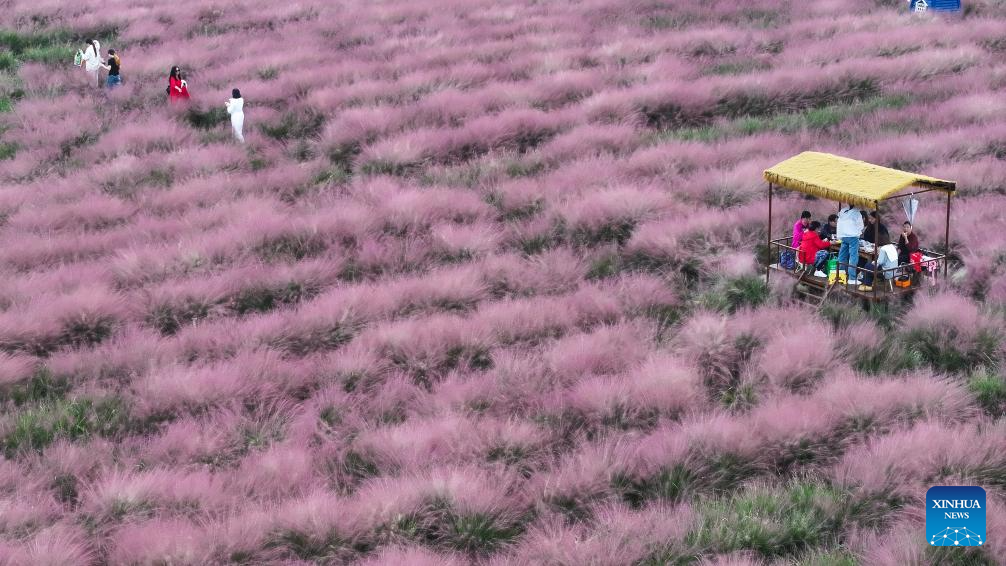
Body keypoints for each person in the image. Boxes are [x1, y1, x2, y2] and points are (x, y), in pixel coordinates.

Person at [836, 203, 864, 286]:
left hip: (843, 236)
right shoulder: (856, 213)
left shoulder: (843, 210)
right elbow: (861, 226)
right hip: (853, 237)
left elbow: (839, 222)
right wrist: (858, 232)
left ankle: (840, 274)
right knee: (853, 257)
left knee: (842, 255)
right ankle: (852, 278)